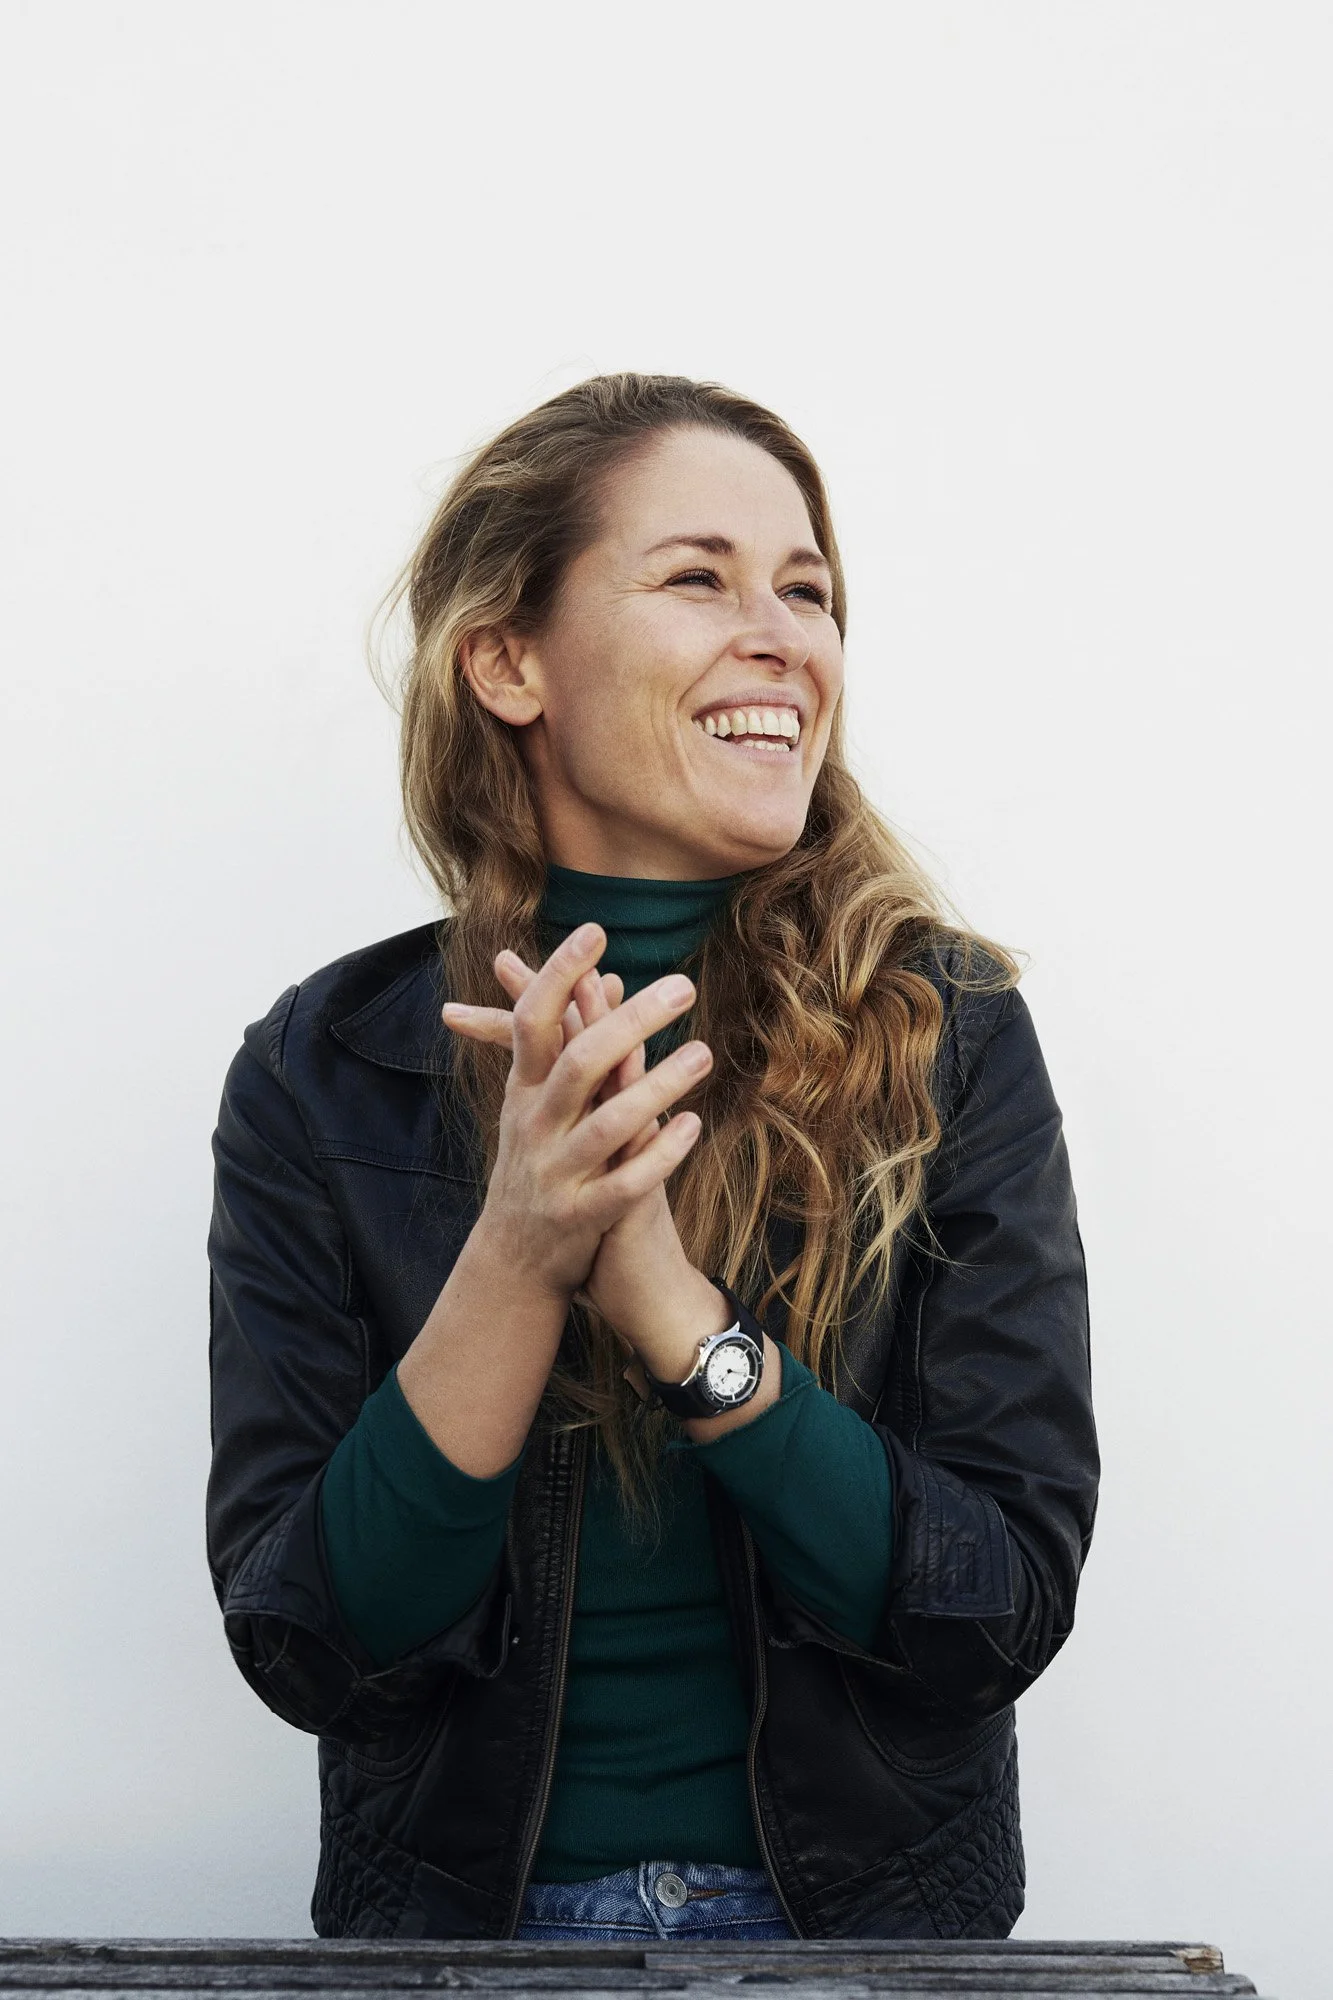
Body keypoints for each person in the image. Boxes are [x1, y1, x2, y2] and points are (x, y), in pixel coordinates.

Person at [205, 373, 1099, 1944]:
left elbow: (994, 1607)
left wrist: (668, 1301)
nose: (784, 637)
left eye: (807, 590)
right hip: (465, 1945)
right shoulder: (321, 1071)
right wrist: (519, 1250)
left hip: (865, 1943)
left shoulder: (950, 1041)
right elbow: (320, 1647)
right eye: (698, 577)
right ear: (508, 660)